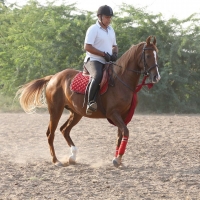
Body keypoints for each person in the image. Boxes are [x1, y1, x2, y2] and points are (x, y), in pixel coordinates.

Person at [84, 5, 118, 115]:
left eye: (110, 17)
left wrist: (114, 53)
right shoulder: (93, 29)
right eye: (107, 17)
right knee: (98, 75)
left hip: (107, 61)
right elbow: (87, 47)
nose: (109, 19)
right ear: (100, 17)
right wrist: (103, 54)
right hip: (93, 60)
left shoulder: (111, 30)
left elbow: (114, 45)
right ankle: (90, 102)